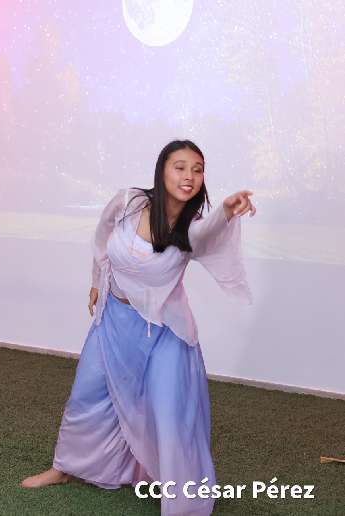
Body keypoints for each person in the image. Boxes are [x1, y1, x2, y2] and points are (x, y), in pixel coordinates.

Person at [20, 140, 255, 515]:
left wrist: (226, 210)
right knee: (86, 394)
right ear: (162, 170)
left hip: (165, 332)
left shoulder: (192, 228)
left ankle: (183, 504)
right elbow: (102, 238)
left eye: (197, 170)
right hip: (114, 320)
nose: (189, 176)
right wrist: (96, 280)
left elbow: (209, 231)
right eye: (180, 167)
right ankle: (65, 467)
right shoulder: (129, 201)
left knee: (169, 414)